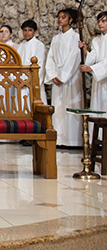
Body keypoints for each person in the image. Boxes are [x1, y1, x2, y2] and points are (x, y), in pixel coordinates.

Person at [45, 8, 83, 148]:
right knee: (58, 107)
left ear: (70, 20)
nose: (60, 19)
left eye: (64, 17)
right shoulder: (56, 38)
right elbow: (51, 58)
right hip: (58, 76)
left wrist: (63, 76)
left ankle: (73, 140)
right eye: (59, 17)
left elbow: (75, 57)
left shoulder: (76, 37)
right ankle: (59, 138)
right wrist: (54, 75)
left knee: (70, 106)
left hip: (71, 77)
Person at [81, 11, 107, 112]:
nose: (100, 24)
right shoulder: (96, 40)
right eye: (99, 21)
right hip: (99, 77)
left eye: (104, 21)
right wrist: (84, 50)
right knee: (98, 105)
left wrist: (92, 68)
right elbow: (93, 57)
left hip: (102, 73)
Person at [17, 20, 47, 103]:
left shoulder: (39, 45)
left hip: (32, 83)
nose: (27, 33)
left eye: (30, 30)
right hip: (20, 83)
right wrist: (17, 80)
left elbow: (40, 66)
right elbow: (15, 65)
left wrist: (29, 82)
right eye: (25, 30)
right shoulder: (20, 46)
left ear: (35, 31)